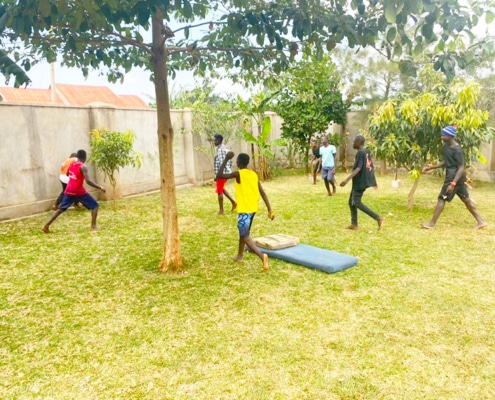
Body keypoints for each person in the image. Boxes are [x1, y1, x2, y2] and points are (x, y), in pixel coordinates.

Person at [216, 151, 274, 271]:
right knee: (243, 233)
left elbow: (219, 175)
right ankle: (240, 256)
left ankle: (262, 256)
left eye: (236, 161)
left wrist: (226, 159)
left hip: (245, 210)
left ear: (238, 163)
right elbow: (262, 192)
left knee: (244, 234)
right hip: (253, 208)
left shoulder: (238, 174)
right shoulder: (253, 174)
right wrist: (269, 209)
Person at [421, 126, 487, 230]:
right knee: (466, 199)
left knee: (441, 198)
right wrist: (431, 167)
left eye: (443, 135)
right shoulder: (446, 147)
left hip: (454, 178)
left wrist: (452, 184)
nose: (441, 137)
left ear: (449, 136)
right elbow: (447, 162)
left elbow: (461, 167)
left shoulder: (458, 150)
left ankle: (432, 224)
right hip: (455, 178)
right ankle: (481, 221)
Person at [42, 149, 106, 233]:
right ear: (85, 157)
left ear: (77, 156)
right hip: (78, 190)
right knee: (95, 206)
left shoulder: (72, 164)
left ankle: (46, 225)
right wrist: (100, 187)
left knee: (60, 209)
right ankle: (93, 227)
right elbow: (88, 181)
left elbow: (68, 174)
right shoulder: (83, 166)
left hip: (69, 189)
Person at [340, 135, 384, 230]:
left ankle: (378, 218)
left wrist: (346, 180)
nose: (353, 143)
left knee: (356, 202)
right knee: (351, 202)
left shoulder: (360, 153)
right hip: (359, 182)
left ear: (359, 142)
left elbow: (359, 168)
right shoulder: (366, 152)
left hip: (360, 182)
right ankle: (354, 224)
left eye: (354, 141)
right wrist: (373, 182)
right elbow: (370, 167)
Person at [213, 134, 236, 215]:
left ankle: (221, 211)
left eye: (215, 140)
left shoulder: (221, 150)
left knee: (219, 191)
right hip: (223, 173)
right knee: (221, 188)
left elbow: (223, 163)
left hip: (222, 174)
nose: (214, 142)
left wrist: (218, 175)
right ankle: (233, 202)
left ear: (219, 140)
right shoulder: (223, 148)